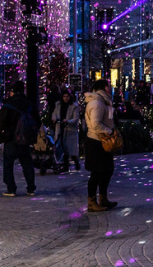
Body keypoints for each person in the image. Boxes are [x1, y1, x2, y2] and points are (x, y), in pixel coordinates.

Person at [0, 81, 40, 196]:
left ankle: (11, 188)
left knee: (8, 164)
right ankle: (31, 188)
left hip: (11, 138)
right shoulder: (29, 104)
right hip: (25, 140)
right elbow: (37, 121)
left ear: (13, 92)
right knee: (27, 164)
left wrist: (2, 133)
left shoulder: (8, 104)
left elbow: (1, 122)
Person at [84, 79, 118, 212]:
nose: (110, 88)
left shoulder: (104, 101)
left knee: (107, 169)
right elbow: (95, 124)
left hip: (103, 140)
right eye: (108, 86)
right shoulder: (97, 103)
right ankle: (91, 201)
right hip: (96, 141)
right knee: (97, 172)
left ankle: (102, 197)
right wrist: (109, 132)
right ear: (103, 88)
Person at [52, 90, 81, 172]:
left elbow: (76, 118)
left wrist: (68, 121)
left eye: (67, 96)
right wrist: (54, 118)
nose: (66, 98)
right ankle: (65, 166)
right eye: (64, 96)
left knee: (70, 148)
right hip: (60, 127)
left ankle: (75, 162)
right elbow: (54, 113)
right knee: (63, 147)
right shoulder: (58, 105)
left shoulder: (73, 106)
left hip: (69, 129)